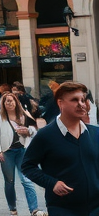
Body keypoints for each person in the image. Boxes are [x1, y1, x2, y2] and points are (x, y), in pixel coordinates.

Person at [22, 81, 99, 216]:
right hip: (62, 207)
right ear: (60, 103)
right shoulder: (46, 135)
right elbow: (27, 166)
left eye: (82, 99)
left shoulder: (95, 133)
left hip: (95, 207)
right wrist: (52, 183)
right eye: (74, 100)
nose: (81, 104)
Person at [0, 91, 41, 216]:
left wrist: (28, 131)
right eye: (7, 101)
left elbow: (35, 130)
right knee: (10, 181)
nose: (10, 103)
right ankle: (12, 208)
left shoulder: (23, 114)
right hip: (7, 152)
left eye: (12, 100)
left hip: (22, 150)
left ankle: (34, 209)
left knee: (27, 180)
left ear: (16, 102)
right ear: (3, 103)